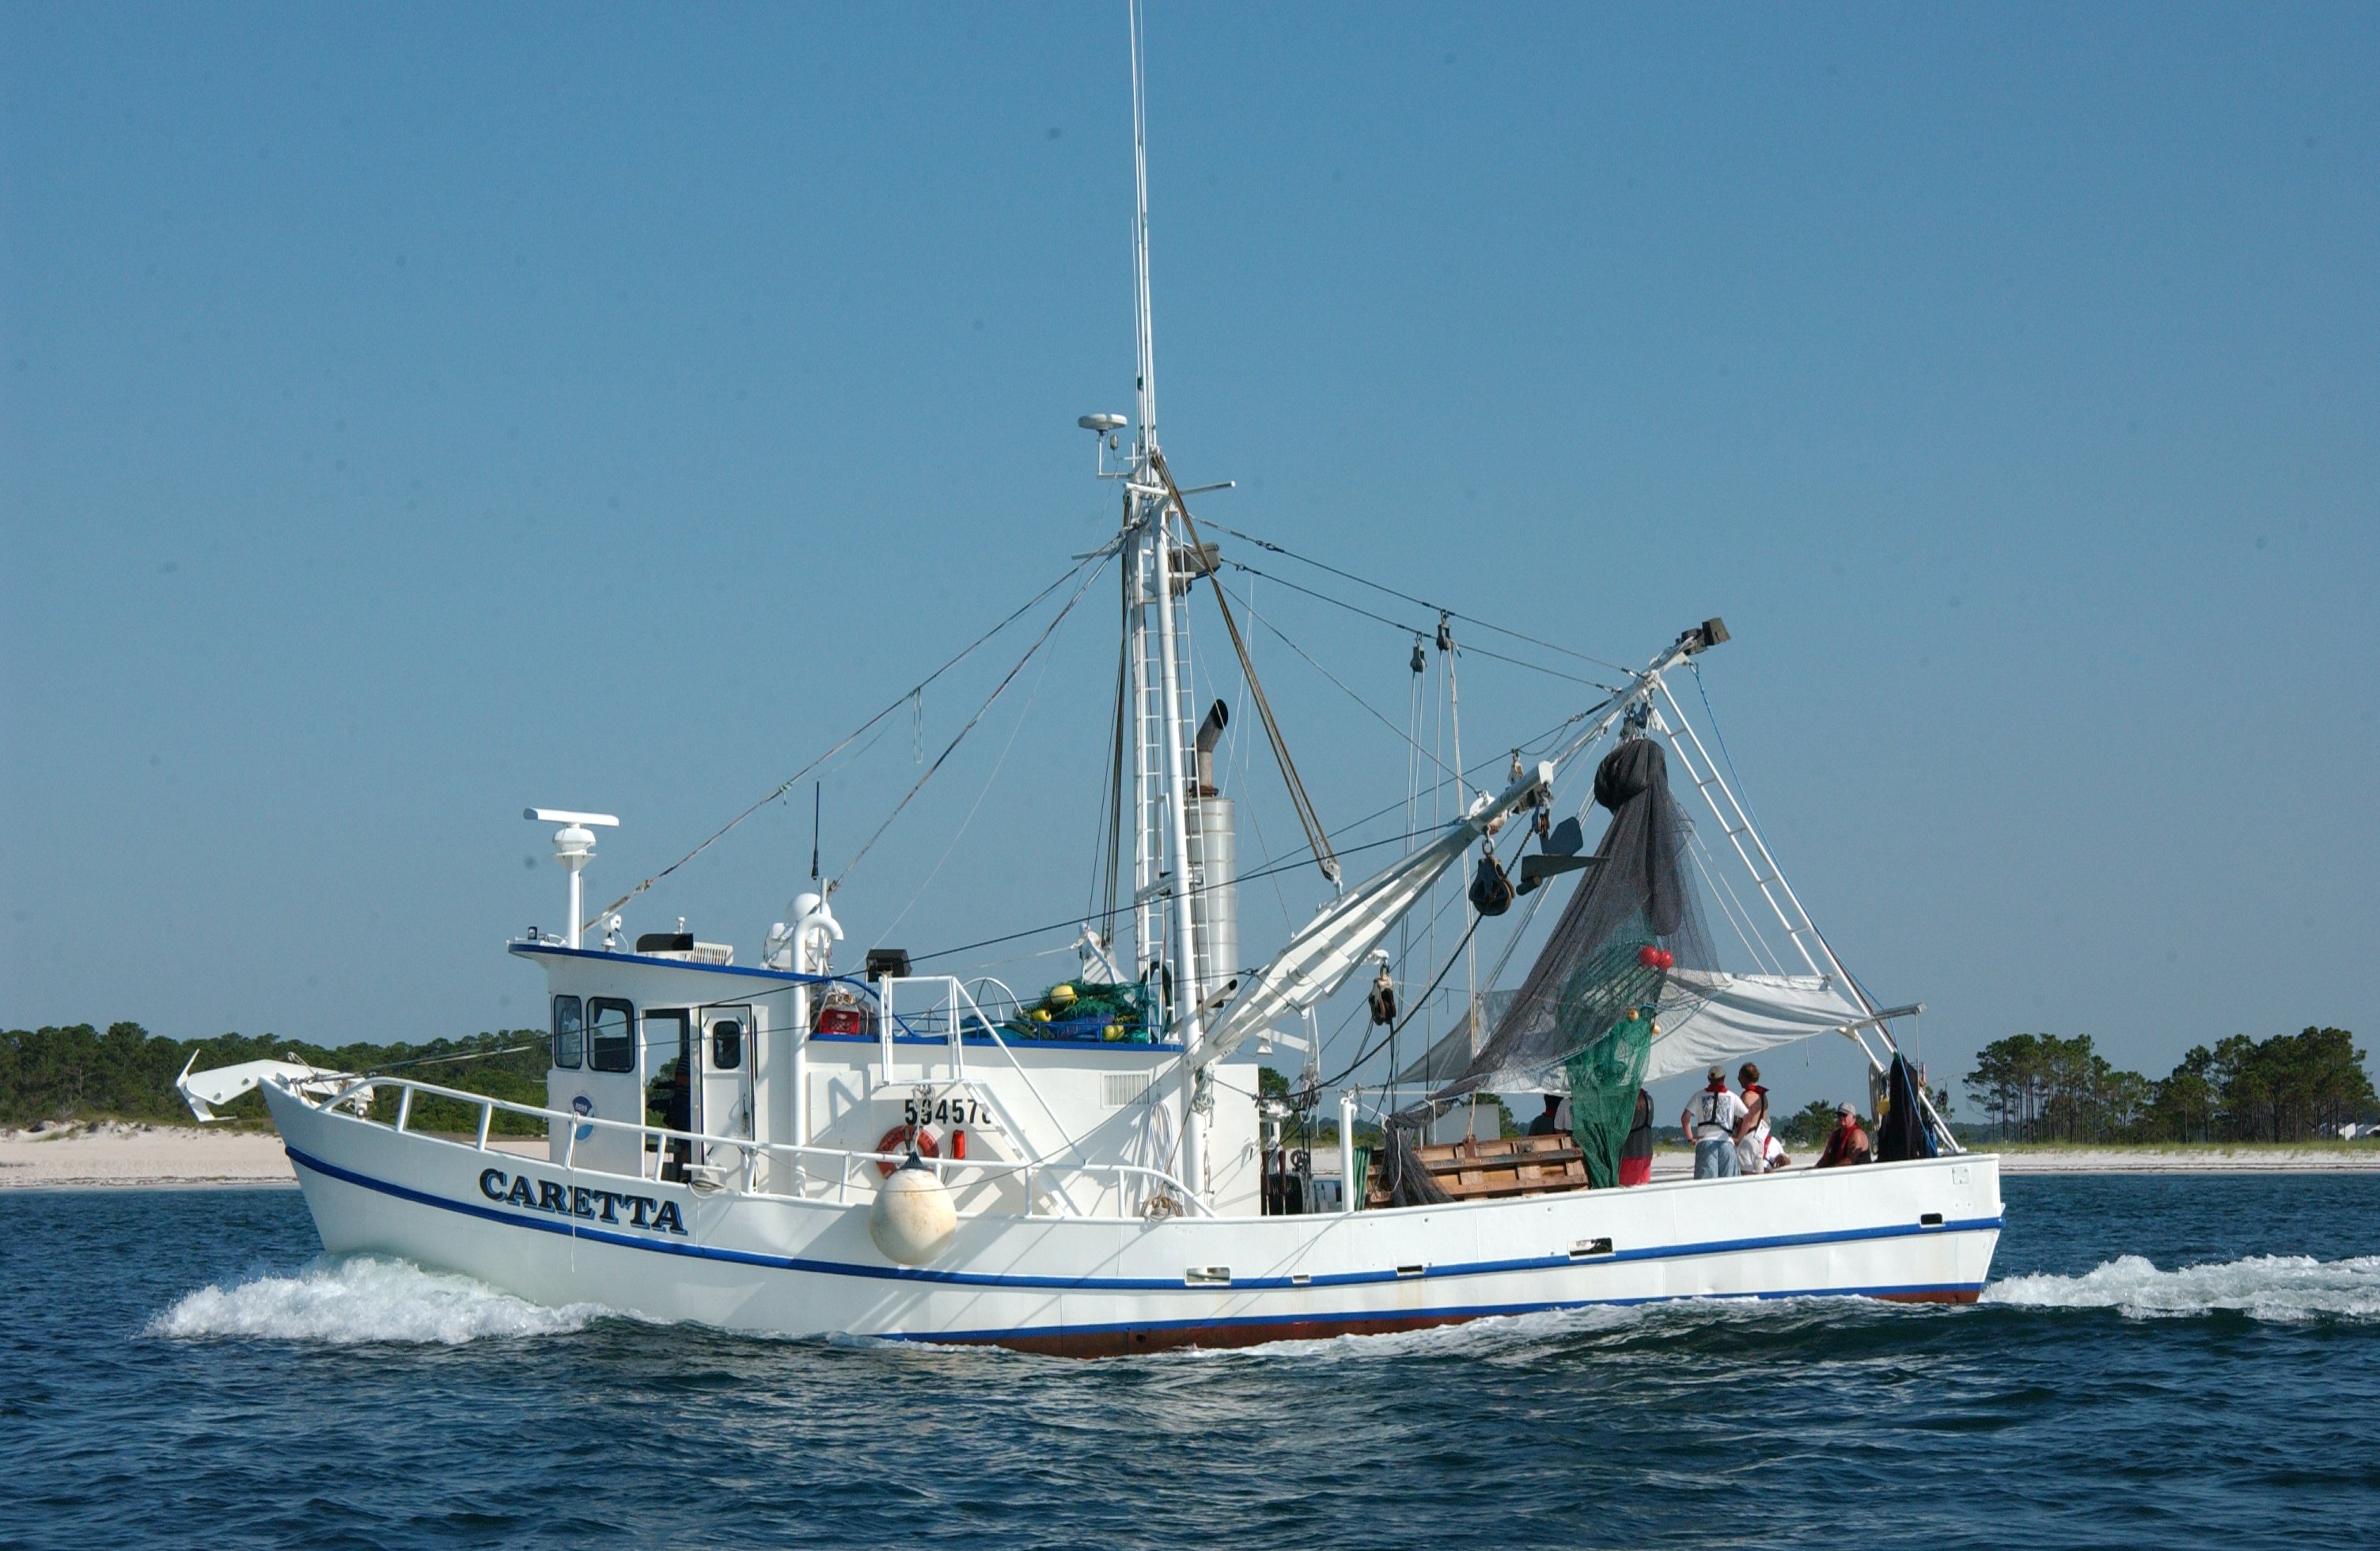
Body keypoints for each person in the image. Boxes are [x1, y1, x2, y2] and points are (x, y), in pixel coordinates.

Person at [1682, 1066, 1747, 1179]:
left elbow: (1685, 1118)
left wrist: (1691, 1138)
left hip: (1705, 1142)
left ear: (1709, 1079)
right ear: (1724, 1078)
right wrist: (1738, 1138)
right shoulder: (1733, 1097)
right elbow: (1747, 1117)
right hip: (1726, 1142)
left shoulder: (1699, 1096)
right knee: (1729, 1184)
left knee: (1706, 1185)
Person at [1734, 1062, 1772, 1176]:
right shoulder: (1762, 1095)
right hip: (1759, 1137)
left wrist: (1738, 1138)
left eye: (1740, 1076)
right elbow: (1764, 1120)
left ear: (1745, 1077)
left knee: (1745, 1172)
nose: (1738, 1078)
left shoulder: (1747, 1096)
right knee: (1758, 1172)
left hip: (1748, 1137)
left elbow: (1747, 1120)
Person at [1816, 1103, 1871, 1168]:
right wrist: (1814, 1169)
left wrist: (1831, 1169)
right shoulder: (1835, 1135)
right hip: (1838, 1174)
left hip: (1858, 1174)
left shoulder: (1857, 1134)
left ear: (1854, 1117)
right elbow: (1825, 1160)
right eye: (1839, 1115)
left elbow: (1850, 1161)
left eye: (1844, 1115)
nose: (1841, 1118)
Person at [1618, 1087, 1654, 1186]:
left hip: (1632, 1151)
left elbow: (1623, 1126)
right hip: (1647, 1150)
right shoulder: (1649, 1099)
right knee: (1643, 1187)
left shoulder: (1630, 1101)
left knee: (1628, 1188)